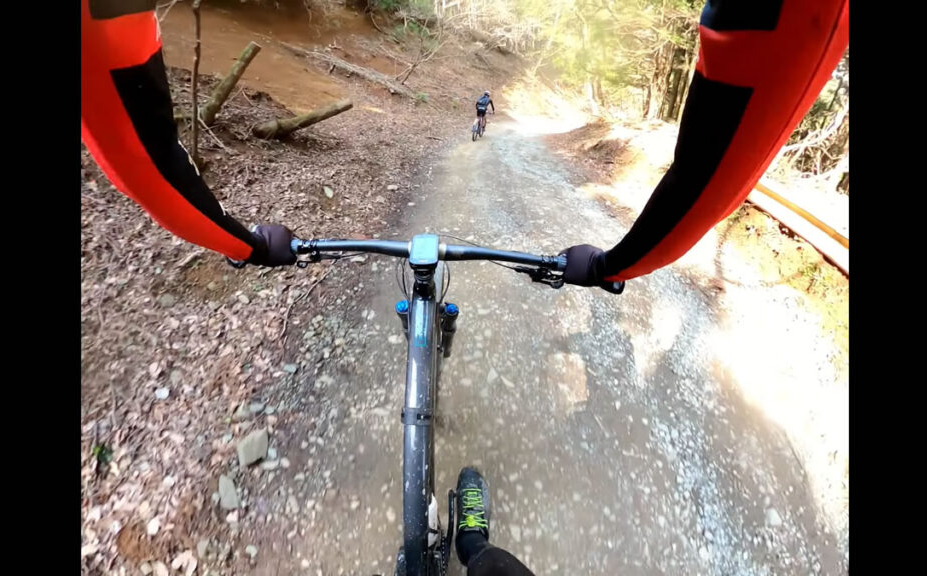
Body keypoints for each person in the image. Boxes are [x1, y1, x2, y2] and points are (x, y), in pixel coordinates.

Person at [81, 0, 847, 573]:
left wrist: (245, 244)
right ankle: (476, 547)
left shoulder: (485, 102)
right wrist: (613, 264)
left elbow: (125, 124)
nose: (483, 109)